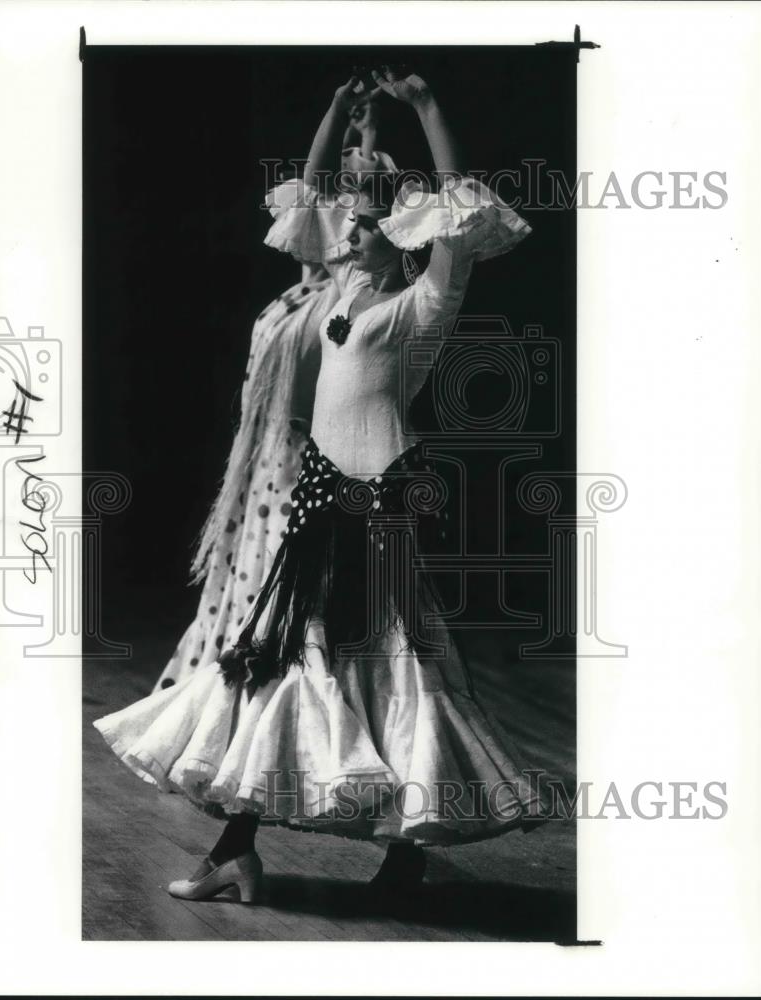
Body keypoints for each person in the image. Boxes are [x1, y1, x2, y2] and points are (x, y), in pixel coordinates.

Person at [94, 67, 539, 905]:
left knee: (389, 672)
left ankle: (400, 850)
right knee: (275, 665)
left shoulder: (423, 306)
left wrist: (430, 110)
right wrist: (339, 117)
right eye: (354, 225)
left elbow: (453, 210)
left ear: (403, 240)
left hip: (379, 504)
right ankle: (237, 847)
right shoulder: (335, 298)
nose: (352, 231)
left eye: (369, 226)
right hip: (320, 495)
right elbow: (317, 206)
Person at [154, 100, 397, 691]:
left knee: (285, 572)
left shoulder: (341, 304)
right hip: (263, 458)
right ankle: (227, 673)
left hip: (309, 459)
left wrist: (371, 141)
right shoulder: (299, 296)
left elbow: (341, 201)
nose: (338, 223)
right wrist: (343, 115)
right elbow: (307, 193)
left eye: (355, 218)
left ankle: (280, 689)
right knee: (248, 563)